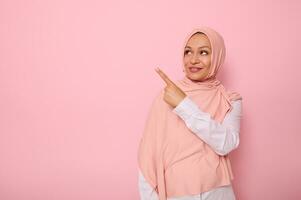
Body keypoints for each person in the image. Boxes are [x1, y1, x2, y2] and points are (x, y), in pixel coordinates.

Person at [137, 26, 243, 200]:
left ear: (217, 57)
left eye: (203, 52)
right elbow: (147, 158)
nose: (193, 60)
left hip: (218, 192)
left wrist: (183, 104)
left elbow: (226, 144)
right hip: (178, 194)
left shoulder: (230, 100)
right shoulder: (166, 96)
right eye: (188, 52)